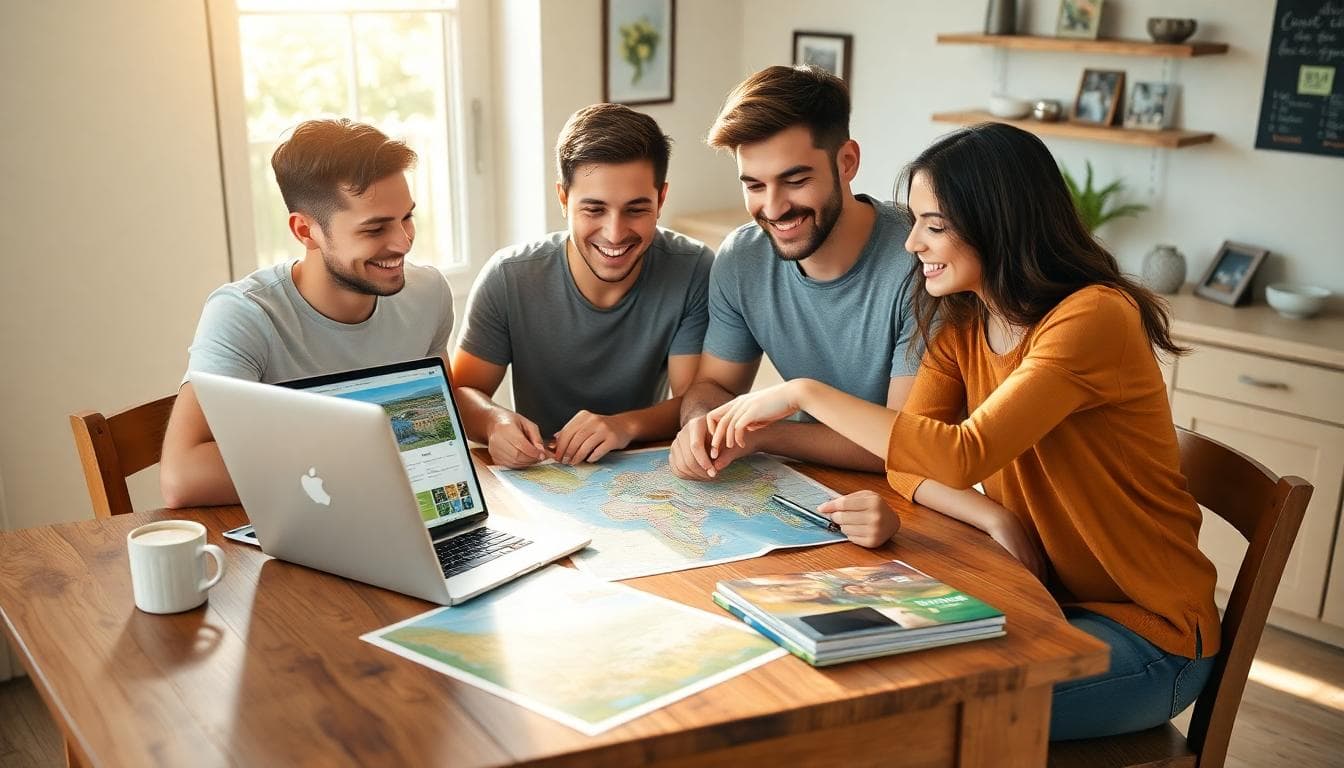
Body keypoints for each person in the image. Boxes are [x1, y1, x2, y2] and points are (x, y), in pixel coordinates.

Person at [702, 122, 1220, 741]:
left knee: (899, 720)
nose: (912, 242)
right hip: (1041, 598)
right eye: (916, 221)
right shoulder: (963, 320)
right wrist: (994, 519)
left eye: (935, 225)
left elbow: (959, 455)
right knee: (852, 673)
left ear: (998, 224)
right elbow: (907, 458)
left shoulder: (1093, 317)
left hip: (1148, 636)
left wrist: (800, 392)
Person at [668, 65, 921, 548]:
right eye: (754, 185)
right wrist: (702, 423)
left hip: (912, 503)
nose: (775, 207)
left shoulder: (921, 258)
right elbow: (714, 385)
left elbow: (906, 443)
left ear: (846, 162)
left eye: (795, 179)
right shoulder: (741, 258)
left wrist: (759, 435)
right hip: (816, 494)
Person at [160, 119, 454, 508]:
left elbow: (439, 427)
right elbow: (183, 476)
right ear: (305, 231)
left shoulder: (428, 294)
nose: (403, 242)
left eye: (407, 218)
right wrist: (361, 460)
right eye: (375, 229)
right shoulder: (245, 314)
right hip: (298, 531)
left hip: (399, 515)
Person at [452, 104, 713, 468]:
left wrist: (624, 426)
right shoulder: (508, 277)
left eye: (636, 210)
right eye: (594, 210)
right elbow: (461, 394)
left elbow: (694, 402)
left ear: (661, 199)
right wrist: (495, 422)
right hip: (542, 474)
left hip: (643, 469)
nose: (615, 233)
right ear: (563, 198)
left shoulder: (693, 269)